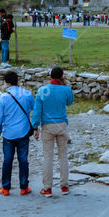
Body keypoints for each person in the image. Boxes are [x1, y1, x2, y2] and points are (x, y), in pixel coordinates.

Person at [31, 66, 75, 196]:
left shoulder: (42, 90)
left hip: (47, 126)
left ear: (50, 76)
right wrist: (65, 85)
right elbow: (70, 102)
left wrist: (35, 127)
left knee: (48, 157)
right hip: (61, 124)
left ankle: (47, 188)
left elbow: (37, 110)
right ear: (62, 76)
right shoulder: (66, 89)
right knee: (63, 156)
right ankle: (64, 186)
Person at [0, 71, 34, 196]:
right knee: (23, 160)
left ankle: (6, 188)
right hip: (24, 131)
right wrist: (35, 127)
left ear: (6, 82)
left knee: (7, 160)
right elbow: (33, 109)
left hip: (8, 133)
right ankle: (24, 187)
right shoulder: (27, 94)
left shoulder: (3, 97)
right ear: (17, 80)